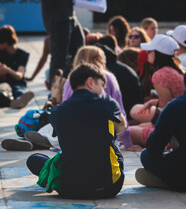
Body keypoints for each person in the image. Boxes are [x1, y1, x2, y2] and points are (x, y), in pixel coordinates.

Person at [26, 63, 125, 199]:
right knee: (112, 144)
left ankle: (51, 175)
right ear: (90, 82)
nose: (103, 91)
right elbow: (122, 126)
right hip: (108, 187)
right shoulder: (108, 104)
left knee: (35, 159)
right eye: (101, 86)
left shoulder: (57, 112)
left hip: (69, 188)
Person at [62, 45, 142, 151]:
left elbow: (65, 108)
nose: (105, 61)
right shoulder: (108, 77)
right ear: (97, 60)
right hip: (104, 137)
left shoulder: (70, 80)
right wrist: (128, 143)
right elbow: (120, 112)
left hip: (75, 137)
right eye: (103, 58)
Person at [129, 34, 185, 147]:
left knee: (127, 133)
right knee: (137, 126)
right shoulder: (179, 69)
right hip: (180, 126)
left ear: (158, 53)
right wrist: (153, 102)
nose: (147, 53)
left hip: (172, 135)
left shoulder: (160, 76)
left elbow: (167, 112)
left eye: (150, 51)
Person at [135, 73, 186, 192]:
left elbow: (153, 147)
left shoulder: (176, 106)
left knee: (146, 155)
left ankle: (166, 180)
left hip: (182, 171)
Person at [34, 0, 85, 86]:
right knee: (59, 59)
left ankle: (75, 86)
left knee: (80, 52)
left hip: (70, 17)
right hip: (58, 20)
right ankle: (54, 95)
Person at [0, 25, 34, 109]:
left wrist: (7, 70)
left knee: (18, 91)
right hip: (3, 83)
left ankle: (18, 100)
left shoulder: (22, 55)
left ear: (5, 43)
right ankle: (13, 102)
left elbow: (19, 76)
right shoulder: (1, 53)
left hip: (16, 83)